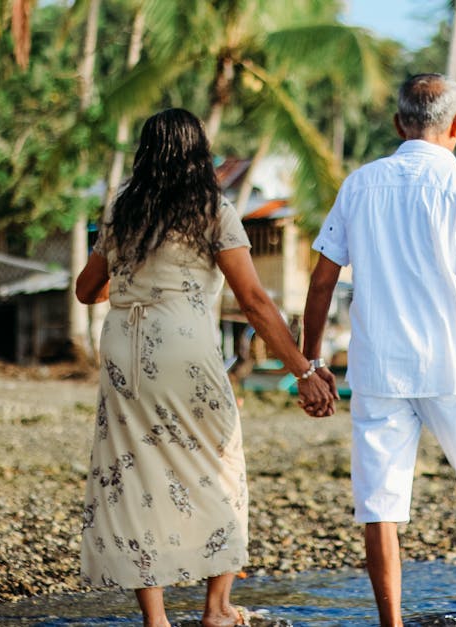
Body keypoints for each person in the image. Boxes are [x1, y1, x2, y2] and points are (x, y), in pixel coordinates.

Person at [75, 108, 337, 627]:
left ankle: (156, 619)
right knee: (220, 463)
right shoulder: (212, 210)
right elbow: (254, 300)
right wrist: (304, 371)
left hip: (125, 349)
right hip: (183, 346)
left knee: (135, 471)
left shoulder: (121, 211)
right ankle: (216, 608)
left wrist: (131, 282)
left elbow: (87, 289)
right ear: (200, 154)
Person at [301, 73, 456, 626]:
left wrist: (312, 363)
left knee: (380, 504)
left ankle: (391, 622)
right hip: (452, 367)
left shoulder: (359, 184)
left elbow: (323, 279)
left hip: (379, 370)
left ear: (399, 123)